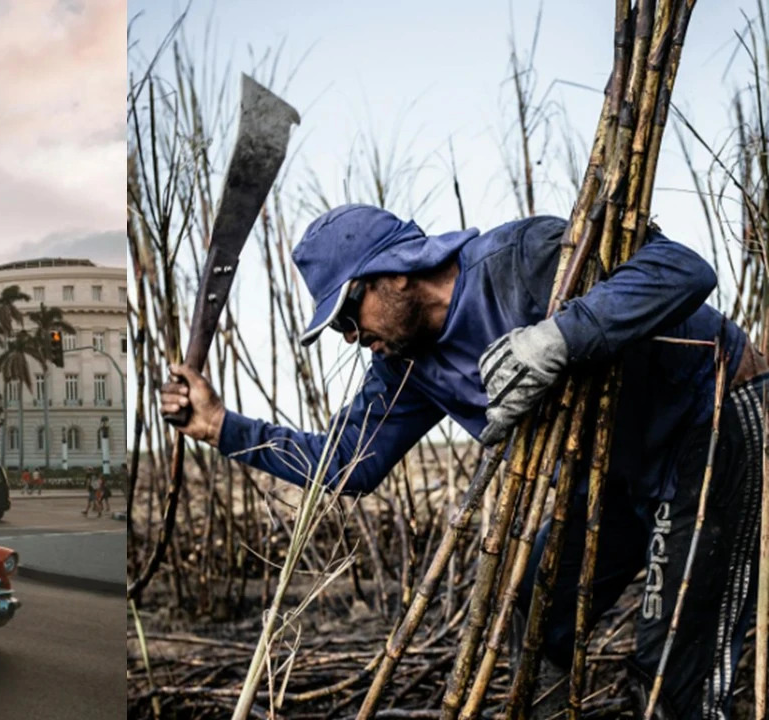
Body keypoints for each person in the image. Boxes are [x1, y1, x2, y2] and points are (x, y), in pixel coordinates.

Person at [159, 204, 768, 718]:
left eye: (348, 313)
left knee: (669, 678)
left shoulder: (522, 259)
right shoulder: (404, 368)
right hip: (615, 471)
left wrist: (557, 339)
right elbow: (348, 462)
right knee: (538, 606)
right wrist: (219, 427)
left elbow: (683, 269)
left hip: (711, 421)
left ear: (392, 273)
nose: (351, 337)